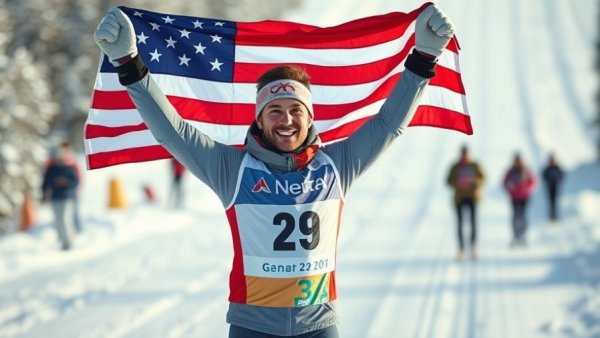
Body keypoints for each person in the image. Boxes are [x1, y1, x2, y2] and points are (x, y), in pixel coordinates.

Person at [94, 4, 455, 337]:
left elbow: (389, 123)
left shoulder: (335, 166)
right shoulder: (233, 170)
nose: (286, 120)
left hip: (318, 325)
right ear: (260, 119)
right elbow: (174, 132)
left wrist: (425, 57)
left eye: (296, 110)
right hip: (253, 327)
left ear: (310, 117)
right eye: (275, 111)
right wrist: (128, 63)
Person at [446, 145, 485, 261]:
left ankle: (473, 247)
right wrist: (457, 183)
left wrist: (475, 182)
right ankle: (461, 249)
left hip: (472, 197)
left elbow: (483, 178)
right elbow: (448, 180)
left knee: (473, 222)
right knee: (460, 224)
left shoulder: (475, 165)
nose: (464, 156)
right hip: (459, 198)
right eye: (463, 154)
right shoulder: (455, 166)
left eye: (466, 154)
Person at [42, 143, 80, 250]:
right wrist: (44, 195)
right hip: (55, 197)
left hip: (67, 197)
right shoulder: (51, 168)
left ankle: (68, 243)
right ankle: (63, 240)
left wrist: (66, 183)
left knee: (65, 220)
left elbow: (75, 182)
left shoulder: (69, 167)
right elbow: (46, 182)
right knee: (58, 220)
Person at [503, 153, 536, 248]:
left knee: (523, 216)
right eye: (516, 160)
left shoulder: (526, 170)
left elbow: (533, 181)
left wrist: (527, 188)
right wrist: (510, 189)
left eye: (519, 160)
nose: (518, 162)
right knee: (515, 216)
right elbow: (504, 182)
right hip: (514, 197)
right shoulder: (511, 171)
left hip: (525, 197)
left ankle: (523, 234)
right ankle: (515, 235)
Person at [542, 153, 564, 221]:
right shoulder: (547, 169)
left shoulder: (557, 168)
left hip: (556, 186)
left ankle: (555, 215)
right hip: (549, 187)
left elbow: (561, 175)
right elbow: (544, 176)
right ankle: (551, 215)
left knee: (555, 201)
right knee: (550, 201)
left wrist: (557, 180)